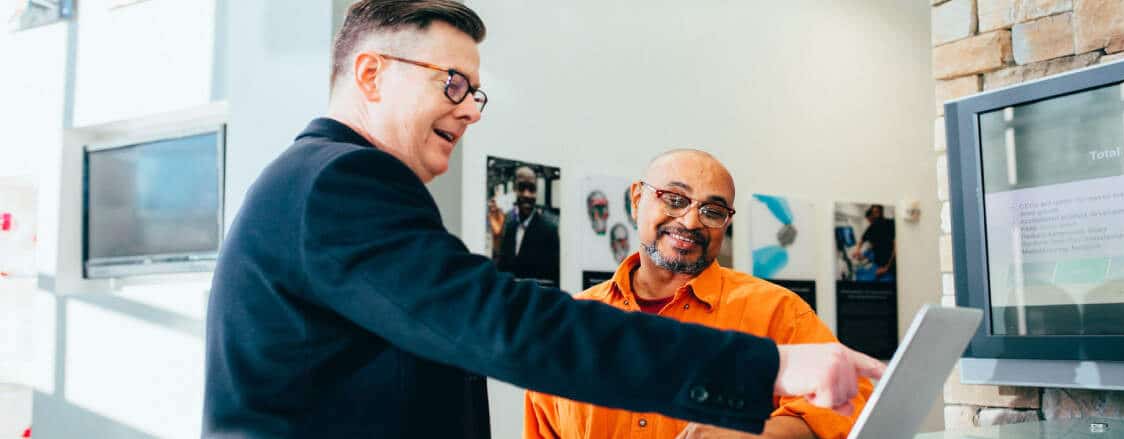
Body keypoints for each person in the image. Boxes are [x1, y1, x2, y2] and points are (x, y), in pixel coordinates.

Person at [202, 1, 885, 437]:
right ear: (372, 75)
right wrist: (764, 367)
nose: (470, 108)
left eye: (477, 92)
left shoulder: (318, 182)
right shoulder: (339, 180)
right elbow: (502, 326)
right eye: (453, 83)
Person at [524, 150, 874, 439]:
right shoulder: (571, 326)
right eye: (674, 199)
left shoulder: (777, 311)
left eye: (713, 211)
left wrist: (758, 435)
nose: (691, 222)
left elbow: (855, 404)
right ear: (636, 200)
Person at [490, 166, 560, 286]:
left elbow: (553, 281)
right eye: (522, 188)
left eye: (532, 189)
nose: (527, 195)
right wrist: (497, 239)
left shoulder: (549, 230)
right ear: (514, 190)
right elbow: (501, 271)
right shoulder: (509, 226)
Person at [852, 205, 896, 281]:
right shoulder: (872, 227)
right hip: (878, 265)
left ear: (882, 212)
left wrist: (886, 267)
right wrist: (857, 250)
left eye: (877, 212)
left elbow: (896, 248)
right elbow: (862, 239)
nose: (875, 215)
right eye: (873, 213)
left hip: (889, 267)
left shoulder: (890, 223)